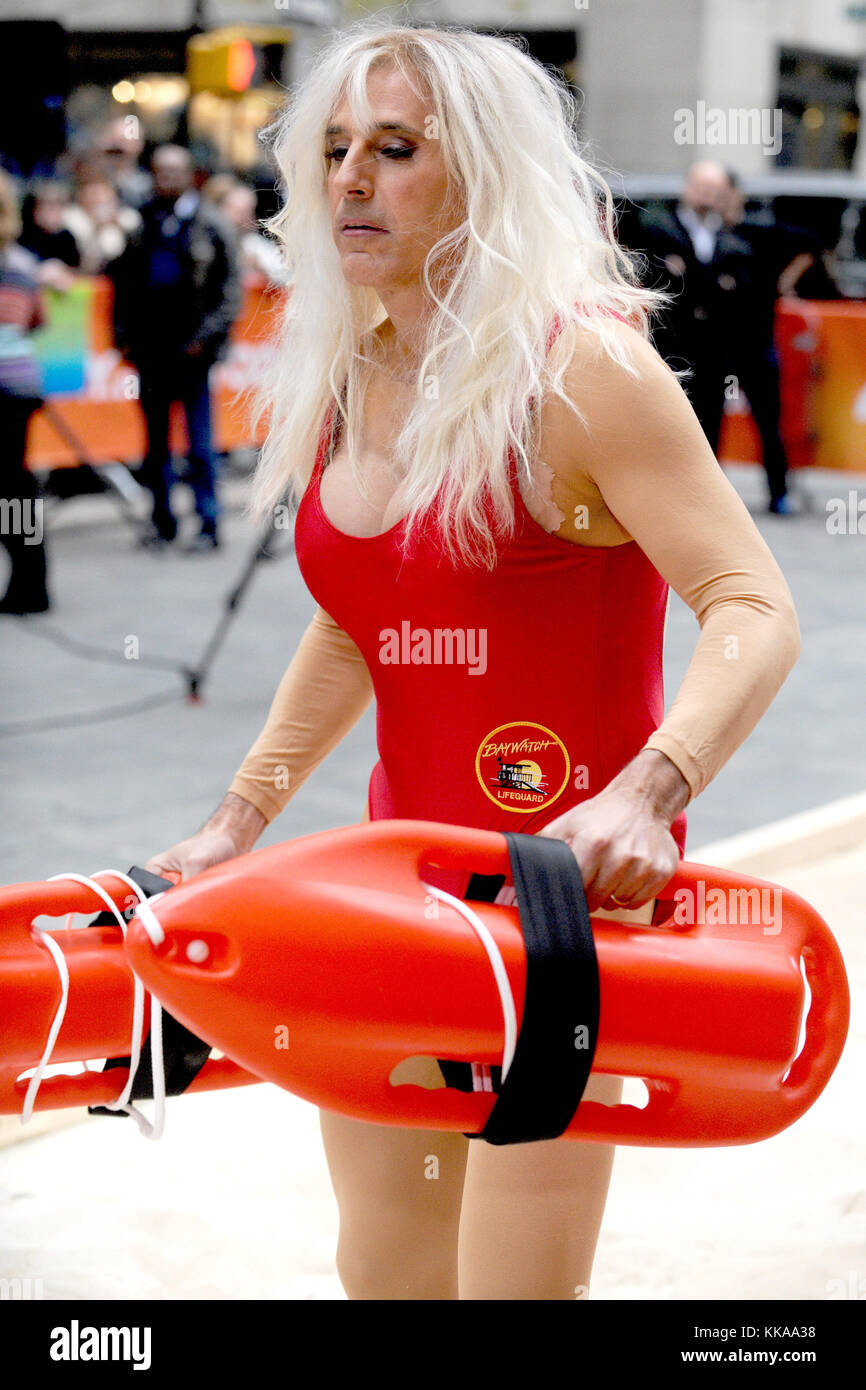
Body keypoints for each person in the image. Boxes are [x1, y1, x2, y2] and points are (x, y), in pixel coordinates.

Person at [145, 24, 801, 1300]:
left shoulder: (584, 367)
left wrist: (649, 790)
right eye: (333, 150)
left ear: (487, 175)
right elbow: (361, 617)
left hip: (564, 922)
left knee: (510, 1296)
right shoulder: (356, 362)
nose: (347, 181)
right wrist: (241, 816)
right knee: (385, 1274)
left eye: (394, 151)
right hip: (400, 905)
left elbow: (752, 603)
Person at [107, 145, 241, 550]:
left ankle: (208, 523)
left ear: (189, 175)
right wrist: (123, 337)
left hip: (193, 353)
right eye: (159, 171)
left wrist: (206, 340)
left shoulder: (212, 224)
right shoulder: (142, 223)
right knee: (156, 446)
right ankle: (161, 521)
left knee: (200, 446)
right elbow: (123, 285)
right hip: (150, 352)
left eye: (174, 171)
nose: (165, 179)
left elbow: (229, 292)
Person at [627, 161, 755, 458]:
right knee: (665, 415)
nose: (707, 195)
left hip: (714, 347)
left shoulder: (729, 236)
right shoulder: (659, 227)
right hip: (670, 343)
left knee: (710, 417)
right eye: (701, 187)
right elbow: (655, 276)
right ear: (687, 188)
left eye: (715, 189)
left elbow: (738, 286)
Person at [0, 170, 50, 614]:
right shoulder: (22, 264)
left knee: (11, 490)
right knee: (16, 488)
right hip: (20, 385)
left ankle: (29, 581)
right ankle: (31, 578)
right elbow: (36, 320)